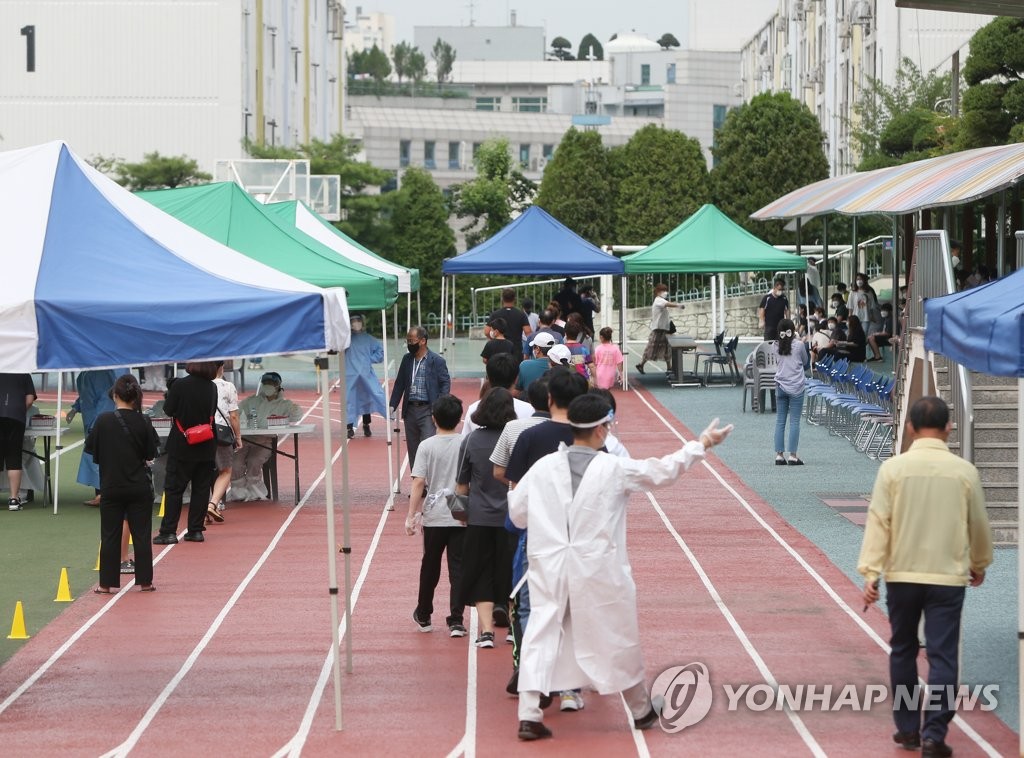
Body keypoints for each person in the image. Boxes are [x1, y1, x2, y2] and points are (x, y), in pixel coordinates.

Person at [509, 394, 733, 740]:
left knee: (541, 633)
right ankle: (641, 710)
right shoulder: (613, 468)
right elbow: (662, 471)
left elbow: (517, 514)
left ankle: (529, 714)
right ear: (601, 430)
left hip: (549, 566)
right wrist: (701, 443)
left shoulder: (542, 469)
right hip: (598, 569)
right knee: (616, 634)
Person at [859, 396, 992, 757]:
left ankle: (907, 729)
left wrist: (871, 573)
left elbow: (878, 522)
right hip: (947, 578)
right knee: (943, 655)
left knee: (902, 649)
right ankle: (935, 733)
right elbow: (978, 524)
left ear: (910, 428)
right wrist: (979, 562)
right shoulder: (964, 472)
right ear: (949, 428)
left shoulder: (892, 470)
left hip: (902, 575)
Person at [455, 388, 517, 649]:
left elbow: (461, 485)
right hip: (512, 517)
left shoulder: (470, 441)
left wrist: (461, 515)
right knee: (513, 574)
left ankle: (487, 631)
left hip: (479, 518)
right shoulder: (516, 439)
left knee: (480, 574)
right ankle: (514, 629)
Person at [86, 374, 159, 593]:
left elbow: (93, 453)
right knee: (142, 534)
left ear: (115, 396)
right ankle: (145, 581)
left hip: (111, 485)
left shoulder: (104, 420)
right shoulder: (144, 420)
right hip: (138, 485)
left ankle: (106, 584)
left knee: (109, 534)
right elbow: (150, 452)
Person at [406, 394, 467, 638]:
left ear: (433, 419)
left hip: (434, 510)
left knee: (430, 565)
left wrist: (411, 516)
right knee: (458, 567)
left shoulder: (426, 445)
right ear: (459, 419)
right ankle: (456, 619)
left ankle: (424, 613)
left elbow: (419, 481)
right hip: (460, 508)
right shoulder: (466, 442)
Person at [154, 361, 218, 544]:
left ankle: (169, 531)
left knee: (174, 489)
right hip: (206, 443)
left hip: (182, 443)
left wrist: (171, 392)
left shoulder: (180, 385)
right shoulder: (212, 387)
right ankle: (196, 530)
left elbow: (168, 410)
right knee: (201, 489)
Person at [230, 372, 301, 501]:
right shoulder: (251, 401)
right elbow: (236, 413)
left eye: (271, 384)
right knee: (236, 461)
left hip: (265, 441)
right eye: (265, 383)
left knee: (254, 461)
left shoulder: (285, 404)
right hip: (245, 439)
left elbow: (297, 416)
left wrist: (293, 409)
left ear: (278, 386)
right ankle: (238, 490)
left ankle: (255, 490)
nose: (268, 386)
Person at [390, 326, 451, 468]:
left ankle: (431, 483)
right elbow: (399, 383)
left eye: (412, 340)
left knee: (428, 447)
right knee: (413, 450)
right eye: (408, 341)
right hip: (410, 410)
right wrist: (393, 404)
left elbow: (445, 384)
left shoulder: (437, 361)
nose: (410, 344)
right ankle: (418, 486)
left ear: (423, 341)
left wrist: (439, 408)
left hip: (428, 410)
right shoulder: (407, 360)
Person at [67, 369, 123, 506]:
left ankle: (103, 494)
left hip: (99, 422)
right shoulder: (84, 374)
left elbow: (106, 399)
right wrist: (75, 408)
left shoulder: (102, 373)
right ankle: (100, 493)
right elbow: (85, 395)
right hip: (92, 420)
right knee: (96, 457)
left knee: (101, 458)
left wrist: (97, 424)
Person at [462, 353, 534, 436]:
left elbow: (465, 442)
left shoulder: (474, 409)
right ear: (516, 378)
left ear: (488, 376)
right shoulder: (529, 410)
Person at [771, 318, 809, 466]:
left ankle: (779, 455)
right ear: (793, 331)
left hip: (780, 385)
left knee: (780, 421)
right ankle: (793, 455)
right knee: (794, 422)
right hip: (796, 387)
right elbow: (805, 363)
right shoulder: (799, 345)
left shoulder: (775, 345)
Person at [208, 361, 242, 521]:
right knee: (225, 470)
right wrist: (238, 437)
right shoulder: (228, 386)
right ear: (221, 367)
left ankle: (202, 508)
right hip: (221, 432)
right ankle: (213, 504)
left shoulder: (199, 385)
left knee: (204, 471)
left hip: (201, 433)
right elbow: (233, 415)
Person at [344, 313, 387, 439]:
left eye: (358, 320)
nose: (356, 323)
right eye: (353, 321)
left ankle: (366, 425)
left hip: (365, 375)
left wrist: (369, 359)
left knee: (366, 400)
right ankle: (349, 427)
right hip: (350, 376)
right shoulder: (346, 339)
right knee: (350, 401)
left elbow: (380, 352)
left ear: (362, 322)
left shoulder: (368, 339)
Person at [0, 373, 37, 511]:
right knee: (14, 457)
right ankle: (14, 499)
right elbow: (29, 400)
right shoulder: (23, 372)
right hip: (16, 417)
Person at [635, 283, 684, 375]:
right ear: (658, 292)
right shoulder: (658, 300)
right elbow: (668, 304)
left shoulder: (660, 300)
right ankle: (641, 364)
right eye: (663, 291)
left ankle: (669, 367)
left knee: (666, 348)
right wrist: (678, 305)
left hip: (664, 329)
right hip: (658, 330)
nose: (665, 292)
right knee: (651, 348)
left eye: (666, 290)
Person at [488, 289, 532, 361]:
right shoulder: (521, 314)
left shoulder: (495, 314)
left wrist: (494, 339)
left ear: (502, 299)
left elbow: (486, 331)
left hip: (498, 350)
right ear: (514, 299)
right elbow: (528, 332)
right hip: (516, 350)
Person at [758, 276, 790, 341]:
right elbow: (762, 309)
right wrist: (761, 320)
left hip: (780, 326)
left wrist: (788, 321)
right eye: (779, 289)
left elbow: (787, 310)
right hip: (769, 326)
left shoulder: (784, 298)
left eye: (782, 290)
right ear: (774, 288)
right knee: (768, 344)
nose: (780, 291)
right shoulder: (767, 298)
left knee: (780, 344)